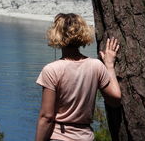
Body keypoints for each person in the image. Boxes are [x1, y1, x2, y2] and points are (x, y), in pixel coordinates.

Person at [35, 13, 121, 141]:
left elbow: (46, 116)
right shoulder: (96, 66)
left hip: (59, 137)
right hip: (86, 137)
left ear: (56, 34)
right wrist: (109, 65)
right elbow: (115, 100)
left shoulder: (52, 70)